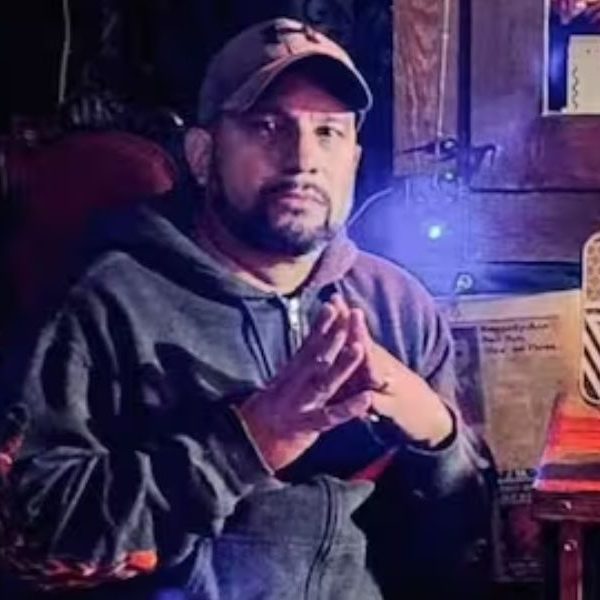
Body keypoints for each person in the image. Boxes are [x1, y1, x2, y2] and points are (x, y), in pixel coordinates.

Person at [0, 17, 495, 600]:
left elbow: (467, 546)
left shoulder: (397, 304)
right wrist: (247, 443)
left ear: (354, 159)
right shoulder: (104, 301)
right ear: (202, 154)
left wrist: (436, 434)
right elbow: (35, 532)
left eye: (328, 132)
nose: (302, 158)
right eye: (267, 126)